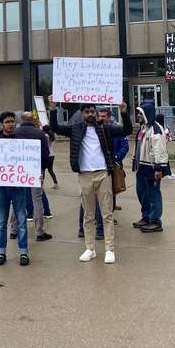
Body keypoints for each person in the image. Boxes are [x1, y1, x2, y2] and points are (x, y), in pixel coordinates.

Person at [49, 99, 132, 264]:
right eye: (87, 112)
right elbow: (55, 128)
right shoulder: (75, 129)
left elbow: (126, 130)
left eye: (93, 111)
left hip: (103, 174)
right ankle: (90, 248)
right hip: (85, 175)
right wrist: (52, 109)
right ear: (82, 114)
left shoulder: (105, 128)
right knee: (88, 215)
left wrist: (124, 112)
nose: (90, 114)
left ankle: (109, 249)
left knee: (107, 213)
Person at [76, 107, 129, 239]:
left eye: (104, 116)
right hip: (88, 172)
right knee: (86, 203)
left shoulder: (112, 129)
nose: (101, 118)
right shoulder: (88, 129)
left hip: (110, 168)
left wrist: (116, 159)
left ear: (109, 117)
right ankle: (84, 229)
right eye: (99, 115)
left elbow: (124, 144)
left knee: (107, 200)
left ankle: (102, 228)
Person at [0, 111, 30, 266]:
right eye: (7, 122)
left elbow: (31, 161)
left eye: (13, 121)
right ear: (2, 124)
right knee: (1, 221)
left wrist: (35, 174)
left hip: (19, 186)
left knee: (21, 220)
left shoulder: (23, 141)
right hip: (1, 186)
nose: (11, 124)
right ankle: (1, 252)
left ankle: (23, 252)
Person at [9, 112, 51, 242]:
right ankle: (39, 231)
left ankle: (13, 230)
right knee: (37, 199)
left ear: (21, 120)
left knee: (16, 199)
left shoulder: (14, 133)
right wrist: (42, 169)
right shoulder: (39, 134)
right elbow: (45, 154)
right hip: (35, 168)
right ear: (32, 120)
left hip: (18, 169)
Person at [132, 102, 170, 233]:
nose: (138, 115)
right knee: (141, 193)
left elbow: (159, 150)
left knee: (153, 195)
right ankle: (146, 217)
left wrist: (159, 168)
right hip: (141, 166)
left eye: (140, 113)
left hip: (152, 168)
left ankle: (155, 221)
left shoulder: (156, 129)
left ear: (147, 114)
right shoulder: (143, 128)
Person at [156, 112, 175, 180]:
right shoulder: (160, 128)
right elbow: (165, 138)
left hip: (161, 147)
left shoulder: (158, 127)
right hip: (161, 148)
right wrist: (168, 137)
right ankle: (168, 174)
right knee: (164, 160)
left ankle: (167, 173)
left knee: (164, 160)